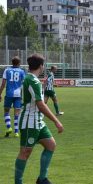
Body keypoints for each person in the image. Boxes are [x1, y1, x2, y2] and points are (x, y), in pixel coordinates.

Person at [15, 54, 64, 184]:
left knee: (50, 145)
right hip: (29, 121)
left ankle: (42, 179)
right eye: (43, 65)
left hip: (37, 121)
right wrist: (56, 121)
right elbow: (40, 104)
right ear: (41, 66)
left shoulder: (30, 78)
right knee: (25, 152)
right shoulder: (32, 80)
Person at [0, 56, 25, 137]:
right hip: (18, 95)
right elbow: (24, 84)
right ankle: (16, 132)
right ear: (19, 63)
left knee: (6, 111)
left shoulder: (7, 70)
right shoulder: (21, 71)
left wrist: (0, 93)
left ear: (12, 62)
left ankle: (9, 127)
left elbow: (3, 84)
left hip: (9, 94)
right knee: (17, 113)